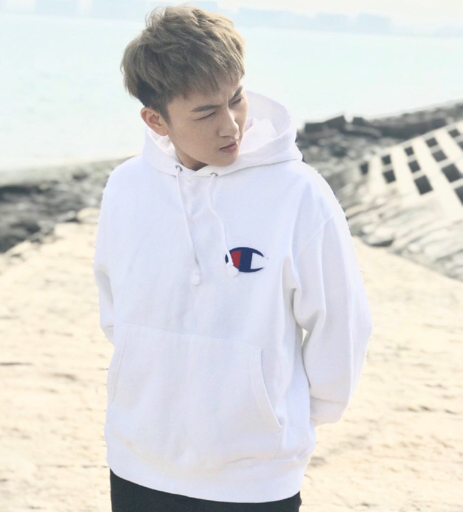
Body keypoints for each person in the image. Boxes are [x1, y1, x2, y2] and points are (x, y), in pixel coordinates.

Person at [93, 5, 373, 512]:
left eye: (236, 99)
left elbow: (340, 319)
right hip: (137, 458)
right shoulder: (126, 188)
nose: (231, 125)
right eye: (206, 113)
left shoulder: (298, 193)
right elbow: (116, 308)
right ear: (156, 119)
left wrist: (288, 417)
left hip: (255, 475)